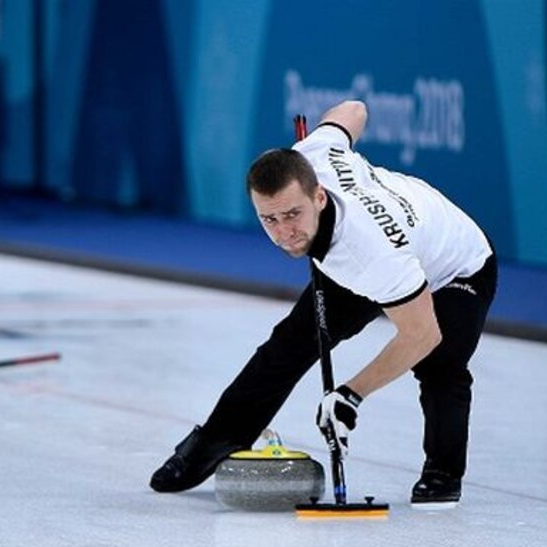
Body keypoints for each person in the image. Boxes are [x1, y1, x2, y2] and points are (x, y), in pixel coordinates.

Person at [150, 100, 497, 507]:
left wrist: (350, 395)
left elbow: (422, 334)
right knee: (291, 343)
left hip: (457, 265)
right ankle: (215, 440)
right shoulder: (313, 153)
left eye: (292, 214)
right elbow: (354, 109)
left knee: (440, 363)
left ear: (318, 196)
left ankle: (442, 472)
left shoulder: (373, 253)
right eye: (270, 220)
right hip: (360, 251)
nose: (284, 233)